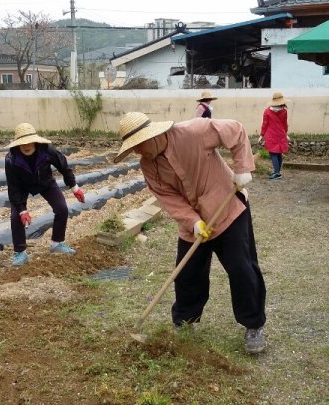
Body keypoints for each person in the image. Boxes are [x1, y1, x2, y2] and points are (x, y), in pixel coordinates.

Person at [114, 112, 267, 354]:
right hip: (194, 222)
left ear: (153, 136)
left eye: (138, 145)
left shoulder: (193, 132)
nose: (137, 151)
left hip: (226, 209)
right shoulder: (148, 164)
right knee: (187, 273)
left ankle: (254, 325)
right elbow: (169, 197)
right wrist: (193, 222)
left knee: (241, 268)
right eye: (132, 147)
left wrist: (242, 168)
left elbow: (236, 130)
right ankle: (185, 321)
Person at [4, 122, 85, 265]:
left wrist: (74, 187)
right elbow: (13, 186)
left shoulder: (47, 150)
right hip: (22, 186)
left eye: (29, 142)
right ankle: (20, 252)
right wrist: (22, 210)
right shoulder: (11, 159)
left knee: (62, 208)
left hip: (45, 182)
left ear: (35, 141)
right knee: (16, 217)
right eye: (22, 143)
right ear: (17, 144)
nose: (26, 146)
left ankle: (57, 243)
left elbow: (64, 167)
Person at [259, 91, 289, 180]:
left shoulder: (267, 111)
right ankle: (278, 171)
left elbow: (265, 124)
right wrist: (286, 134)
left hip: (271, 136)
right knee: (279, 153)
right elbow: (285, 124)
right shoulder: (284, 111)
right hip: (281, 135)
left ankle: (276, 173)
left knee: (273, 154)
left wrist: (261, 135)